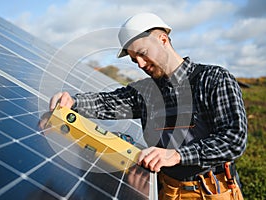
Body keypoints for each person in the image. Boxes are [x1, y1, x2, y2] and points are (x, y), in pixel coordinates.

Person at [49, 13, 247, 199]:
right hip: (166, 190)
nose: (141, 65)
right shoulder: (146, 92)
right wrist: (74, 102)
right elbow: (107, 102)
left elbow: (234, 139)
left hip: (211, 190)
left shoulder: (213, 79)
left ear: (162, 39)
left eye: (143, 54)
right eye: (135, 60)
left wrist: (177, 155)